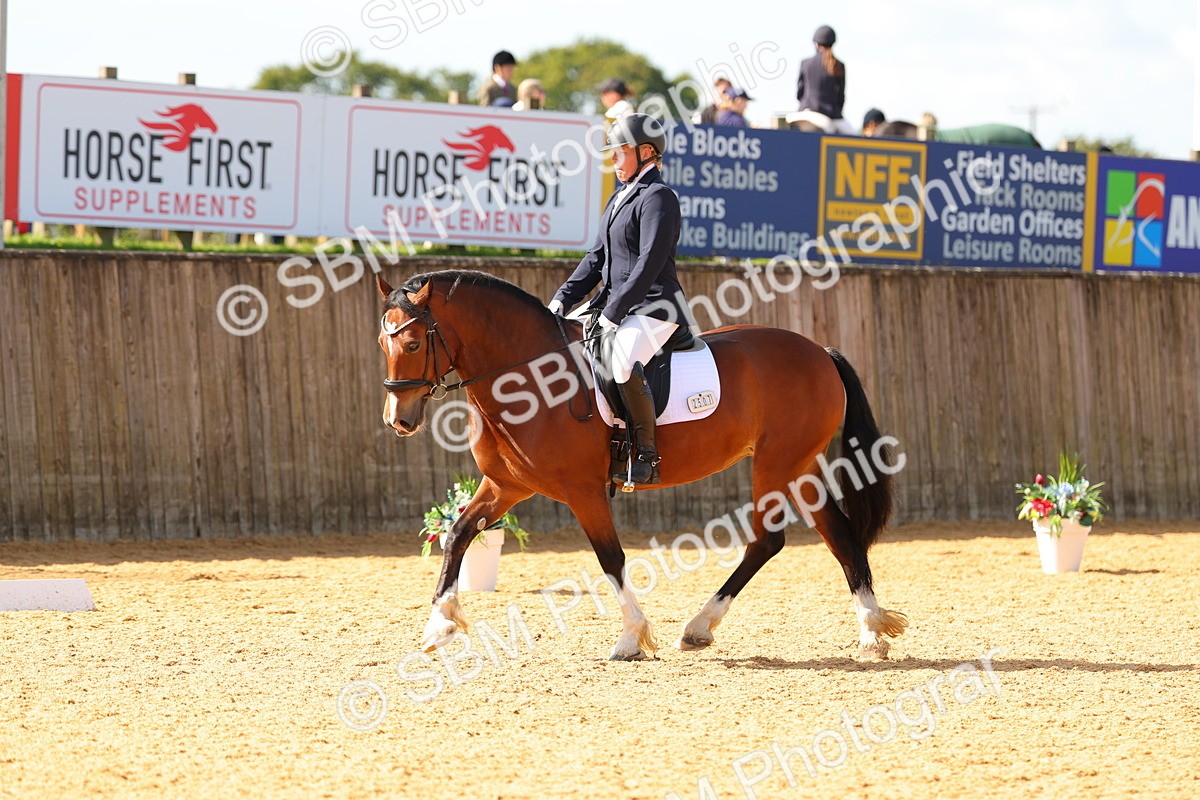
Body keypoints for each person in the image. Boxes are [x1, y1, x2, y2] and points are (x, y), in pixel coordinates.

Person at [547, 114, 692, 486]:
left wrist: (613, 312)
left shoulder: (660, 198)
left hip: (656, 306)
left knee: (622, 360)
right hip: (615, 304)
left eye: (620, 151)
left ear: (646, 152)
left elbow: (649, 263)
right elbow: (596, 259)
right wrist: (563, 300)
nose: (613, 158)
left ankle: (646, 453)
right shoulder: (620, 196)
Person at [794, 25, 855, 135]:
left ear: (815, 43)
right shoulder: (839, 65)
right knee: (853, 136)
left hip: (806, 109)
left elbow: (799, 93)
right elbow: (841, 96)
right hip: (830, 113)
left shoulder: (805, 63)